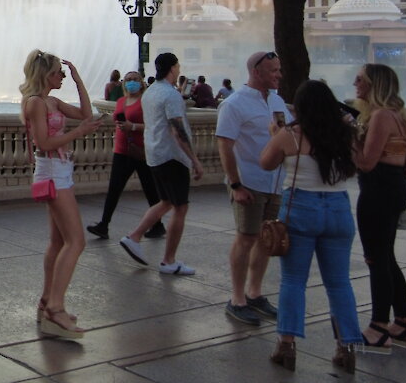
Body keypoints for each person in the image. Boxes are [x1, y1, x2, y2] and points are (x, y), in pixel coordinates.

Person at [259, 80, 361, 373]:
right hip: (338, 209)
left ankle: (287, 344)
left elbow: (265, 163)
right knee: (339, 282)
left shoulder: (290, 135)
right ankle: (347, 346)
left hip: (301, 209)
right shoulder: (345, 134)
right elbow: (360, 164)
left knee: (293, 281)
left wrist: (274, 135)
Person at [21, 49, 102, 339]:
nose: (63, 76)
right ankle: (56, 309)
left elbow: (86, 115)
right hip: (52, 171)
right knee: (76, 241)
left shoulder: (51, 101)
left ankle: (47, 301)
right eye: (59, 72)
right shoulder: (35, 104)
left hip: (61, 169)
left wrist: (80, 81)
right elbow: (43, 142)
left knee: (58, 241)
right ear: (46, 74)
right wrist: (79, 133)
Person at [216, 51, 290, 326]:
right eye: (273, 71)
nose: (279, 75)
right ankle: (237, 298)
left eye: (279, 70)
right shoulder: (234, 104)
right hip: (249, 181)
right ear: (257, 72)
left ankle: (255, 293)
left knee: (266, 238)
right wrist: (235, 184)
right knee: (246, 238)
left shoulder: (278, 101)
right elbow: (224, 145)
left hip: (274, 183)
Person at [118, 52, 204, 276]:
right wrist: (194, 160)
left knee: (166, 201)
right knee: (180, 207)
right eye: (177, 66)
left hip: (154, 154)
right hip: (172, 157)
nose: (178, 70)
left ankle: (134, 237)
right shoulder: (170, 95)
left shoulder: (150, 93)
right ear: (172, 69)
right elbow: (178, 130)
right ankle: (168, 261)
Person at [352, 63, 406, 353]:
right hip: (394, 188)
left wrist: (348, 134)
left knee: (376, 258)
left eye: (361, 79)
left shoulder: (380, 116)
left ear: (374, 85)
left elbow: (366, 162)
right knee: (386, 257)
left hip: (379, 191)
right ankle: (402, 322)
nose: (356, 82)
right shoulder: (397, 116)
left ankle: (379, 327)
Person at [86, 71, 165, 241]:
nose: (132, 83)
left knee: (150, 190)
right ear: (124, 83)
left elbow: (154, 126)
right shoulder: (121, 101)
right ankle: (103, 225)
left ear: (141, 82)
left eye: (135, 80)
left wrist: (133, 127)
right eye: (128, 80)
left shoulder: (146, 101)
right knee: (114, 189)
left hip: (140, 151)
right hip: (121, 151)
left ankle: (158, 225)